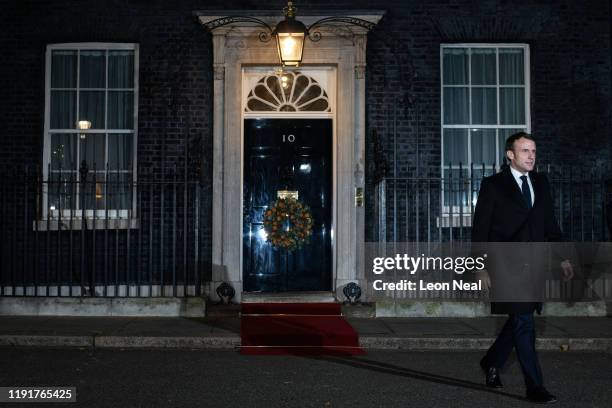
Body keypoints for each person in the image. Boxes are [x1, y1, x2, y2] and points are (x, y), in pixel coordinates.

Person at [472, 132, 573, 404]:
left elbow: (549, 222)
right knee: (525, 324)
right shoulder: (493, 185)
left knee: (520, 319)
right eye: (525, 151)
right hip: (505, 266)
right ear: (510, 155)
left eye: (534, 151)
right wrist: (481, 267)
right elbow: (480, 230)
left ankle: (491, 361)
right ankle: (535, 387)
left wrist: (562, 257)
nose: (531, 156)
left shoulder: (541, 182)